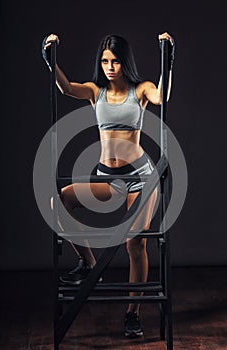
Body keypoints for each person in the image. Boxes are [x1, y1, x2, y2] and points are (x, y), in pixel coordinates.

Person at [42, 31, 174, 337]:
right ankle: (88, 263)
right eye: (104, 61)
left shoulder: (140, 90)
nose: (109, 67)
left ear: (124, 61)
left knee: (135, 243)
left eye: (115, 61)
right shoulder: (94, 91)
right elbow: (64, 87)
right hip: (107, 177)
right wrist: (50, 57)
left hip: (140, 177)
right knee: (59, 201)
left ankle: (132, 314)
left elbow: (161, 96)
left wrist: (168, 58)